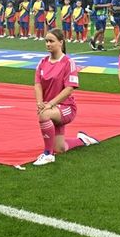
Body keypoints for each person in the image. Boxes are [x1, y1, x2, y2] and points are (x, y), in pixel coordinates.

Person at [32, 28, 98, 166]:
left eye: (51, 41)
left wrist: (49, 104)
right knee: (60, 148)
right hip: (50, 107)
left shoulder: (68, 62)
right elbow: (37, 84)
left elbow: (69, 89)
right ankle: (83, 140)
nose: (48, 44)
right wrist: (40, 103)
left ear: (60, 42)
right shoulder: (42, 62)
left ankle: (48, 154)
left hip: (66, 107)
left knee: (44, 115)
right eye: (46, 41)